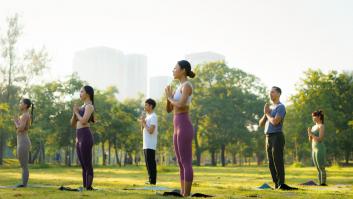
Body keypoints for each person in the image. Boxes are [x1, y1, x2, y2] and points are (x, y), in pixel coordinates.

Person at [165, 60, 195, 197]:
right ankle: (183, 192)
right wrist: (168, 98)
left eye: (175, 67)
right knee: (180, 162)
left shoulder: (187, 86)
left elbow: (181, 105)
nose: (173, 70)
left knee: (186, 161)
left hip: (184, 125)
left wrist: (170, 98)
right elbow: (169, 109)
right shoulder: (179, 87)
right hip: (176, 126)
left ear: (183, 70)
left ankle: (187, 194)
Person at [259, 86, 297, 190]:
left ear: (279, 94)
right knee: (271, 162)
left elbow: (275, 122)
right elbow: (261, 124)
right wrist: (265, 113)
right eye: (270, 92)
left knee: (277, 160)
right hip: (268, 136)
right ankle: (276, 184)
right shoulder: (270, 108)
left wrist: (267, 114)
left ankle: (281, 183)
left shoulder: (281, 107)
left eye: (273, 92)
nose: (270, 94)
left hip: (277, 136)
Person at [70, 85, 95, 190]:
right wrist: (74, 112)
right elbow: (72, 124)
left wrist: (76, 112)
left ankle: (88, 187)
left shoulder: (89, 106)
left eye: (82, 92)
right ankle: (85, 186)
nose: (80, 94)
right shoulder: (82, 107)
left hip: (85, 135)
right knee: (83, 164)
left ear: (87, 94)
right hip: (78, 136)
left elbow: (84, 121)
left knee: (87, 163)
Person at [13, 99, 33, 188]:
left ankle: (24, 184)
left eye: (21, 103)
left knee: (24, 165)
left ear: (25, 105)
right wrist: (17, 121)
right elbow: (20, 128)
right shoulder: (24, 115)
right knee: (22, 164)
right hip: (21, 141)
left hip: (24, 141)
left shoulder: (25, 115)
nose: (19, 104)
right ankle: (23, 183)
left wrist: (15, 121)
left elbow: (20, 128)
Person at [139, 98, 158, 185]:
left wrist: (143, 123)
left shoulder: (153, 116)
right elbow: (142, 130)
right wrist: (142, 122)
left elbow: (151, 131)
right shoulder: (147, 117)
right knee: (147, 163)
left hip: (151, 144)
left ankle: (153, 182)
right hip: (146, 144)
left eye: (146, 105)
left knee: (151, 163)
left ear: (151, 106)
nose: (145, 106)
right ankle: (150, 180)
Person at [307, 110, 327, 186]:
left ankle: (323, 183)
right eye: (312, 116)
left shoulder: (321, 126)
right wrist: (309, 134)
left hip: (320, 148)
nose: (313, 118)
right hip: (313, 148)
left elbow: (320, 139)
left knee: (321, 167)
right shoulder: (313, 126)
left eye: (314, 116)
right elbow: (310, 139)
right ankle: (319, 183)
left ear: (319, 117)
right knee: (317, 168)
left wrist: (311, 134)